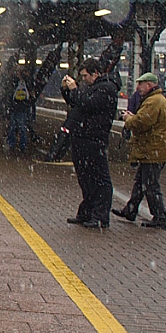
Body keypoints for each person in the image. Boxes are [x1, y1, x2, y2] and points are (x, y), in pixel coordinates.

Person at [62, 57, 118, 228]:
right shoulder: (92, 88)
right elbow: (76, 102)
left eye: (85, 76)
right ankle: (87, 212)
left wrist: (75, 89)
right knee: (85, 178)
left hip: (94, 139)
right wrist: (66, 90)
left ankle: (100, 216)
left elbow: (88, 104)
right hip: (82, 139)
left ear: (96, 74)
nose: (83, 79)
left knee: (99, 178)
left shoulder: (107, 89)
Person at [113, 73, 166, 228]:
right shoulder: (156, 100)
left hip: (153, 150)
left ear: (150, 85)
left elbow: (142, 122)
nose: (138, 88)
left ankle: (160, 217)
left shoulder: (153, 101)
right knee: (140, 182)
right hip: (152, 149)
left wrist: (129, 119)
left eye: (141, 84)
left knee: (150, 185)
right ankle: (130, 210)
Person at [7, 65, 34, 153]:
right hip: (22, 107)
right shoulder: (27, 82)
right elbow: (31, 94)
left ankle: (13, 144)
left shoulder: (14, 81)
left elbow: (9, 93)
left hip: (16, 107)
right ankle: (22, 146)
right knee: (22, 127)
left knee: (13, 127)